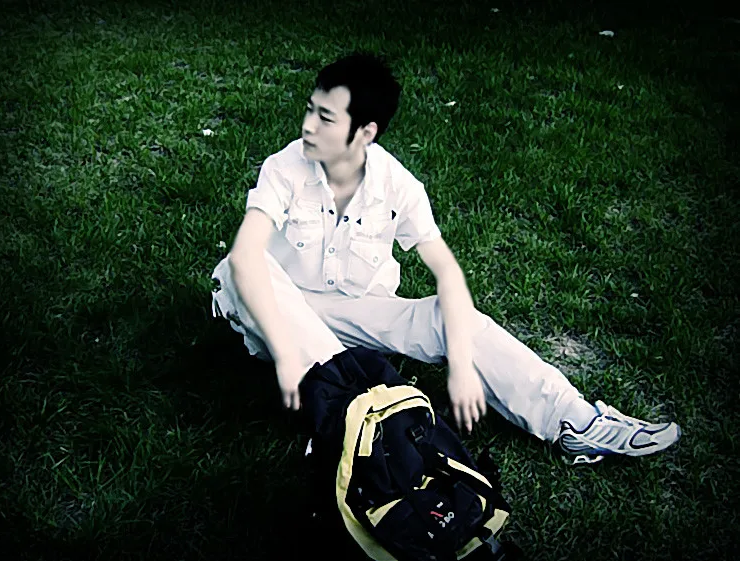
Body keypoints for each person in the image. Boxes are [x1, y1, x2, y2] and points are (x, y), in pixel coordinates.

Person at [210, 51, 681, 465]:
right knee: (240, 265)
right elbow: (247, 258)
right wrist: (286, 353)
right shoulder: (286, 166)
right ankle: (357, 421)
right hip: (275, 308)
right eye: (311, 109)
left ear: (366, 132)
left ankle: (575, 421)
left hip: (353, 317)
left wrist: (459, 361)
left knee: (450, 315)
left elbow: (448, 273)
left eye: (326, 118)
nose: (308, 126)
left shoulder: (399, 186)